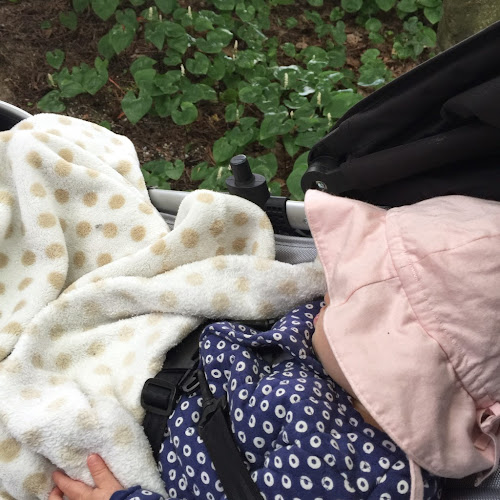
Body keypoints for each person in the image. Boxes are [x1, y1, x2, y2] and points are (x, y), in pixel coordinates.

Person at [49, 191, 500, 500]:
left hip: (138, 441)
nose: (327, 289)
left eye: (344, 299)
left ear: (389, 369)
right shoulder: (327, 347)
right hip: (166, 362)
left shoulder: (368, 479)